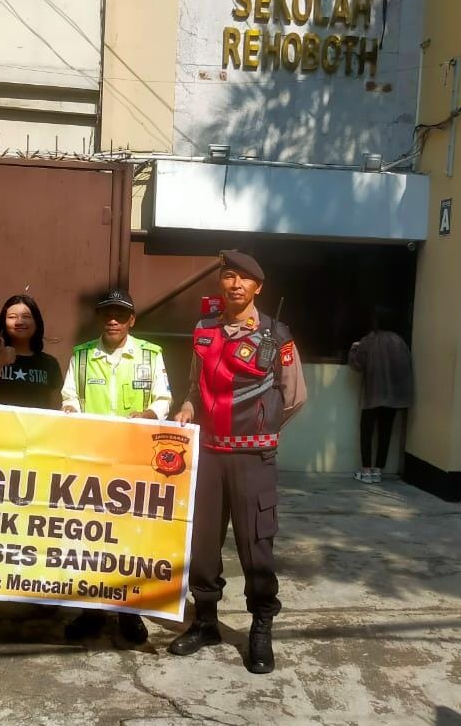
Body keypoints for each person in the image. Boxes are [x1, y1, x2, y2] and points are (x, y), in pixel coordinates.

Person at [170, 250, 307, 674]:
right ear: (221, 284)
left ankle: (261, 627)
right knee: (202, 544)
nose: (235, 284)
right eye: (228, 276)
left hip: (252, 457)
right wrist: (188, 407)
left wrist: (262, 427)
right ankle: (205, 622)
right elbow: (195, 386)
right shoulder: (203, 331)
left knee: (255, 545)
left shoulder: (276, 335)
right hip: (209, 455)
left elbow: (294, 396)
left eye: (244, 279)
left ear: (257, 287)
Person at [59, 288, 172, 645]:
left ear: (131, 320)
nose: (113, 320)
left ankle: (129, 612)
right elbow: (69, 398)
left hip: (134, 462)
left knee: (129, 538)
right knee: (90, 536)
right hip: (92, 460)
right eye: (107, 314)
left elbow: (163, 399)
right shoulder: (81, 357)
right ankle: (91, 611)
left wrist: (150, 414)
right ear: (99, 318)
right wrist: (71, 412)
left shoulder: (151, 355)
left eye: (120, 315)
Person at [348, 308, 414, 484]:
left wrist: (353, 349)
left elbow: (357, 364)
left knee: (367, 432)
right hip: (393, 397)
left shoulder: (370, 340)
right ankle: (378, 471)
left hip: (373, 395)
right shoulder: (400, 342)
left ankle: (366, 471)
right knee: (385, 432)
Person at [0, 294, 63, 409]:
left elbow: (56, 408)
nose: (19, 322)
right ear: (3, 323)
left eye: (26, 317)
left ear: (37, 323)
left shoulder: (50, 363)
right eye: (12, 317)